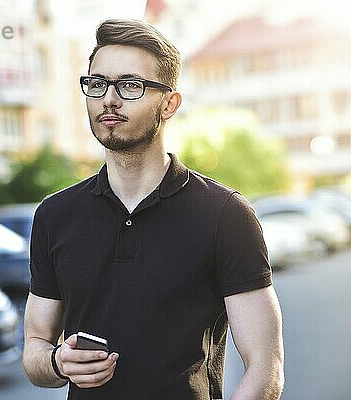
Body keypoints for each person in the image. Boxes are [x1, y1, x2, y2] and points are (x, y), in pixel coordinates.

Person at [22, 18, 284, 400]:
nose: (109, 99)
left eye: (130, 85)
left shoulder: (224, 214)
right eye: (97, 84)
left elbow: (265, 367)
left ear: (169, 103)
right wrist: (58, 362)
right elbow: (34, 349)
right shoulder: (54, 215)